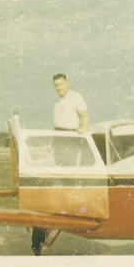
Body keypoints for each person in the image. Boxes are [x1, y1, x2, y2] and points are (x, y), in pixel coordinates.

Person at [31, 73, 89, 256]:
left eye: (61, 85)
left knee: (68, 173)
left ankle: (67, 208)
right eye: (56, 85)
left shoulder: (76, 97)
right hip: (59, 137)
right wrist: (50, 145)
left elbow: (84, 114)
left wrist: (83, 128)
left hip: (71, 137)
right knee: (58, 175)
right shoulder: (57, 103)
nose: (59, 88)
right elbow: (56, 125)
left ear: (67, 84)